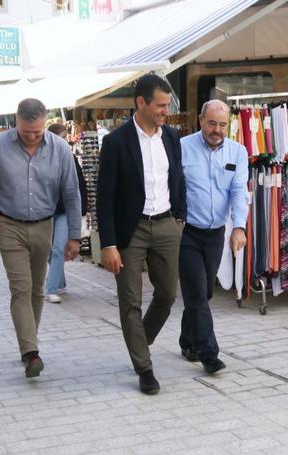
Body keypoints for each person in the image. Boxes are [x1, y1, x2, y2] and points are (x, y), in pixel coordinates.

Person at [97, 74, 187, 395]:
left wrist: (180, 218)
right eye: (160, 105)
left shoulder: (172, 138)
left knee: (167, 295)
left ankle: (140, 339)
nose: (166, 111)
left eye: (167, 105)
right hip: (130, 231)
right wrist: (108, 243)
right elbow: (104, 196)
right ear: (141, 103)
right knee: (130, 303)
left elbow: (178, 179)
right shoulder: (115, 142)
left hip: (166, 225)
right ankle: (144, 368)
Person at [0, 98, 81, 378]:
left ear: (44, 123)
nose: (33, 137)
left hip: (44, 225)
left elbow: (72, 193)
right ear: (16, 122)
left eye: (37, 131)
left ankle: (28, 341)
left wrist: (75, 235)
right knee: (21, 287)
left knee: (37, 289)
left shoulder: (60, 149)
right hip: (8, 224)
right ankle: (31, 352)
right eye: (27, 132)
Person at [178, 100, 249, 374]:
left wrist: (239, 227)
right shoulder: (182, 148)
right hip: (186, 232)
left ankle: (187, 341)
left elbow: (238, 191)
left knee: (203, 292)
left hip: (216, 232)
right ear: (200, 120)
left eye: (222, 125)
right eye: (211, 123)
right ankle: (209, 353)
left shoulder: (238, 152)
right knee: (197, 293)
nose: (217, 130)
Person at [44, 123, 88, 303]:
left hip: (63, 211)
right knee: (48, 251)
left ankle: (51, 288)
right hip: (45, 211)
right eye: (62, 137)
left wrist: (82, 211)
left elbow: (79, 186)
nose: (65, 141)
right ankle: (60, 283)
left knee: (57, 249)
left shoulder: (69, 157)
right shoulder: (42, 157)